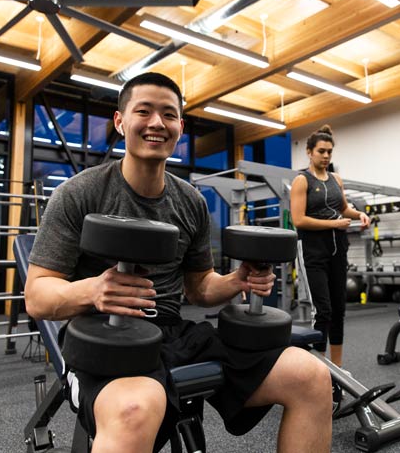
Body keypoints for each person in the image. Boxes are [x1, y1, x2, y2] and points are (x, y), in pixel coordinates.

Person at [25, 72, 333, 453]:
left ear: (180, 128)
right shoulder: (78, 194)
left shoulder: (191, 202)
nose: (157, 123)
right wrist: (94, 290)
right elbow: (37, 296)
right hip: (103, 337)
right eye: (144, 111)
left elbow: (199, 286)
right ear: (121, 122)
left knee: (312, 376)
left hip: (174, 331)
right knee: (135, 409)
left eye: (168, 115)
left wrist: (237, 280)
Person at [290, 124, 370, 368]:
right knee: (323, 311)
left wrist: (359, 216)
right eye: (321, 151)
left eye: (329, 152)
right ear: (309, 152)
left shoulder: (336, 179)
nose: (326, 156)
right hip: (313, 251)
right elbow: (298, 220)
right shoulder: (301, 181)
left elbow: (343, 208)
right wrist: (332, 224)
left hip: (338, 249)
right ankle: (319, 369)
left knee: (338, 311)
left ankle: (338, 370)